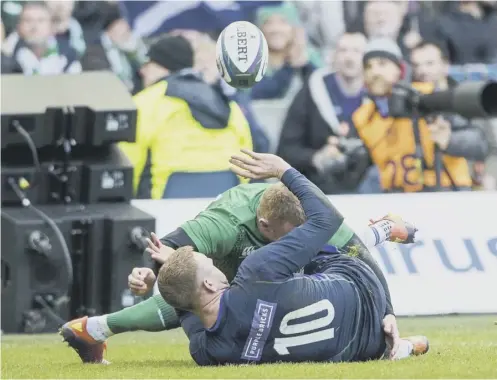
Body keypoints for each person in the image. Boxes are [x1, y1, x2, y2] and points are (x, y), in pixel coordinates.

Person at [60, 178, 416, 363]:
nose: (301, 241)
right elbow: (170, 249)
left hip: (255, 286)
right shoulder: (225, 223)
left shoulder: (310, 213)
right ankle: (97, 328)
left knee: (330, 253)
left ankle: (93, 328)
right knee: (192, 292)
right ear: (264, 225)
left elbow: (353, 254)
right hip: (235, 277)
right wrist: (146, 273)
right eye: (294, 236)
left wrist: (386, 313)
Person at [155, 150, 428, 365]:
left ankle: (404, 347)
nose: (215, 264)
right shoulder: (255, 272)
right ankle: (380, 231)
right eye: (209, 265)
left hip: (365, 346)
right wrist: (283, 170)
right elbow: (327, 219)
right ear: (209, 285)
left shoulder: (209, 352)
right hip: (360, 282)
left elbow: (189, 314)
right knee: (309, 242)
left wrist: (171, 276)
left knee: (291, 266)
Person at [116, 34, 253, 199]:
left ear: (163, 66)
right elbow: (247, 155)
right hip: (225, 202)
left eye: (148, 64)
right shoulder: (225, 102)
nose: (142, 71)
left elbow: (127, 161)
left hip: (165, 206)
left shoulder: (146, 102)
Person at [352, 38, 489, 193]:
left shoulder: (429, 98)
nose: (375, 72)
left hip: (447, 192)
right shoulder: (363, 116)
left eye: (382, 64)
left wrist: (450, 140)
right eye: (368, 66)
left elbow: (481, 143)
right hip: (395, 198)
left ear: (400, 70)